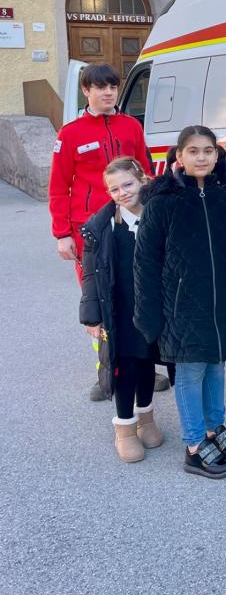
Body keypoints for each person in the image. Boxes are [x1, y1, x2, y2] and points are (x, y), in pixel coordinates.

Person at [134, 126, 226, 479]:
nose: (201, 157)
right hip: (182, 306)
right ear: (179, 156)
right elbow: (145, 263)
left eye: (208, 151)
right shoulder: (162, 203)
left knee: (216, 366)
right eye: (193, 151)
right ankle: (195, 444)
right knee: (191, 370)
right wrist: (148, 316)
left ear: (217, 155)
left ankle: (214, 428)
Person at [47, 62, 166, 401]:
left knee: (137, 292)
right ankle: (108, 370)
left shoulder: (131, 126)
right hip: (91, 230)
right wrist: (62, 234)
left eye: (113, 86)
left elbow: (145, 172)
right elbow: (58, 186)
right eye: (100, 87)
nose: (108, 93)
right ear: (86, 91)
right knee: (101, 300)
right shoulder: (70, 134)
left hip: (132, 224)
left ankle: (144, 362)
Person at [79, 157, 164, 463]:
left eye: (128, 184)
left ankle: (146, 418)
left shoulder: (158, 216)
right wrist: (92, 317)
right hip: (120, 311)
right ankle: (125, 428)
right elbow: (91, 275)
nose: (122, 192)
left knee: (147, 363)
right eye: (114, 189)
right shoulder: (102, 227)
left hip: (152, 310)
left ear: (142, 179)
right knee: (126, 367)